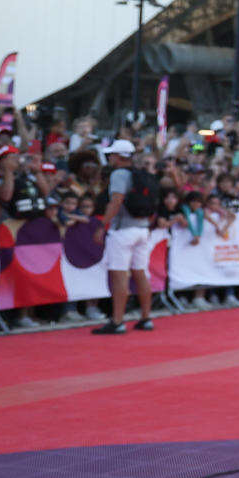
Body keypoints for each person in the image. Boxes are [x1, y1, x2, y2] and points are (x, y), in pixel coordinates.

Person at [95, 140, 160, 335]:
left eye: (112, 155)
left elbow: (116, 201)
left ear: (117, 156)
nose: (110, 158)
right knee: (140, 272)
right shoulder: (141, 174)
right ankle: (146, 318)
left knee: (119, 275)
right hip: (142, 228)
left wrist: (102, 225)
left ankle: (117, 321)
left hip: (123, 230)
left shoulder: (119, 174)